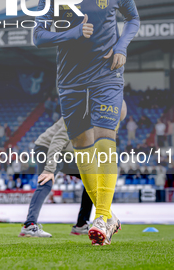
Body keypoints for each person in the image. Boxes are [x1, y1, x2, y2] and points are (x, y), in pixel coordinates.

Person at [33, 0, 140, 245]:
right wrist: (73, 32)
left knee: (105, 140)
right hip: (70, 81)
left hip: (106, 75)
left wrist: (121, 46)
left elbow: (133, 19)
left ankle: (103, 218)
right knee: (83, 150)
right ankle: (108, 216)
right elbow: (38, 36)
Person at [19, 100, 127, 238]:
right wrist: (49, 169)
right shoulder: (80, 115)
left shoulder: (102, 124)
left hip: (68, 154)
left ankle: (81, 225)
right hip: (47, 148)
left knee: (92, 179)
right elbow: (57, 140)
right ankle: (29, 225)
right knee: (46, 181)